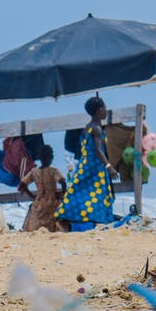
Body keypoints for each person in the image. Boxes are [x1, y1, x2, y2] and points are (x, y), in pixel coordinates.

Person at [56, 96, 116, 230]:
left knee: (79, 193)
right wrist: (109, 166)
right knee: (98, 196)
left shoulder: (87, 128)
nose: (106, 111)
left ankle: (66, 219)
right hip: (95, 168)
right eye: (105, 108)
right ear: (100, 110)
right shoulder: (97, 129)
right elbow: (98, 151)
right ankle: (97, 224)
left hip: (84, 167)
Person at [18, 144, 65, 232]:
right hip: (52, 201)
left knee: (35, 224)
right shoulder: (53, 171)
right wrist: (62, 194)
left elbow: (22, 185)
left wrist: (32, 195)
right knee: (55, 220)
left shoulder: (34, 171)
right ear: (51, 157)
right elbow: (63, 182)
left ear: (39, 157)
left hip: (39, 201)